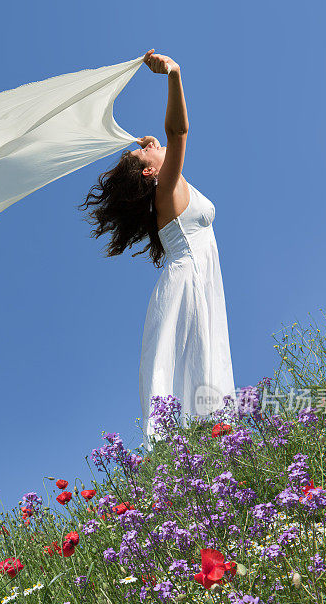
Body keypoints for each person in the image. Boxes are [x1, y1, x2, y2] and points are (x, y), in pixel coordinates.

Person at [78, 49, 236, 449]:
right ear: (151, 172)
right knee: (186, 374)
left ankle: (210, 459)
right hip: (187, 284)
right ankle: (182, 466)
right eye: (144, 150)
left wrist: (148, 145)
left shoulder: (171, 191)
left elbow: (167, 139)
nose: (148, 141)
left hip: (194, 281)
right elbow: (178, 133)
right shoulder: (166, 189)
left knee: (202, 370)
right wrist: (174, 75)